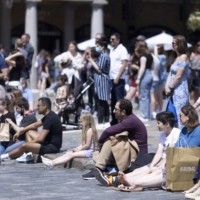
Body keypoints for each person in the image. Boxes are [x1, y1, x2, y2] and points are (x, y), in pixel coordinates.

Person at [114, 111, 180, 191]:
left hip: (167, 162)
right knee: (140, 170)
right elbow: (159, 152)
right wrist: (152, 166)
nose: (156, 125)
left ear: (167, 124)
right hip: (161, 161)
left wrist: (159, 166)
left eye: (159, 123)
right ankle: (124, 179)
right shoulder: (162, 135)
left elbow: (170, 154)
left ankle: (133, 182)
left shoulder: (176, 133)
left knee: (153, 172)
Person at [91, 99, 148, 185]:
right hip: (128, 151)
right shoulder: (123, 119)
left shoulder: (130, 120)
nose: (113, 111)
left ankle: (100, 168)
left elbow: (108, 131)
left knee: (112, 138)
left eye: (116, 109)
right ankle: (109, 167)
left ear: (123, 112)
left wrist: (99, 142)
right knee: (96, 154)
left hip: (137, 154)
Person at [0, 97, 63, 163]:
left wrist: (27, 145)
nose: (37, 108)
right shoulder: (49, 115)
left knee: (24, 145)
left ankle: (3, 157)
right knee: (29, 132)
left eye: (38, 106)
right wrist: (22, 130)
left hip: (51, 147)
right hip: (47, 142)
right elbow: (34, 125)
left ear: (44, 106)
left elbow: (40, 139)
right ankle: (29, 154)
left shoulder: (50, 118)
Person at [165, 35, 190, 129]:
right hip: (172, 90)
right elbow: (170, 74)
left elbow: (179, 76)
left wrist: (170, 87)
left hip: (180, 90)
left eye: (174, 43)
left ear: (180, 44)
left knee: (180, 113)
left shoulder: (184, 57)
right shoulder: (176, 57)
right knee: (173, 113)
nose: (172, 45)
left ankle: (182, 136)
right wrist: (166, 86)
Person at [88, 38, 110, 129]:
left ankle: (102, 121)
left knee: (101, 101)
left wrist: (91, 61)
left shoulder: (104, 56)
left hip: (102, 80)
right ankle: (105, 121)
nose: (96, 48)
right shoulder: (101, 56)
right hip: (99, 80)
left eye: (98, 46)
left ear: (103, 47)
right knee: (102, 101)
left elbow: (99, 69)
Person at [109, 33, 128, 125]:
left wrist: (118, 77)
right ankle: (114, 120)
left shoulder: (122, 49)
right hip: (111, 78)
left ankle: (122, 120)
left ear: (118, 40)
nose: (111, 41)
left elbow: (124, 64)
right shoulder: (112, 50)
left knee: (119, 101)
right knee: (113, 102)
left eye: (113, 39)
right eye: (110, 39)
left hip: (118, 79)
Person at [135, 41, 153, 122]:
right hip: (150, 74)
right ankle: (148, 115)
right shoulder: (150, 55)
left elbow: (142, 67)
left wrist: (138, 78)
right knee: (147, 96)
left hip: (145, 75)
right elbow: (152, 66)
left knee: (143, 96)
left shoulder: (143, 56)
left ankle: (144, 116)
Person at [149, 45, 161, 119]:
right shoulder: (157, 58)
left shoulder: (151, 58)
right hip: (156, 77)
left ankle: (153, 111)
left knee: (152, 96)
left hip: (152, 78)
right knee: (155, 96)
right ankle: (155, 110)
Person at [155, 45, 166, 112]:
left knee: (159, 94)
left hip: (160, 77)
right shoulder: (162, 56)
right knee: (156, 94)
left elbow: (157, 61)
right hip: (157, 76)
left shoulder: (162, 56)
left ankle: (160, 109)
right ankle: (158, 109)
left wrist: (155, 49)